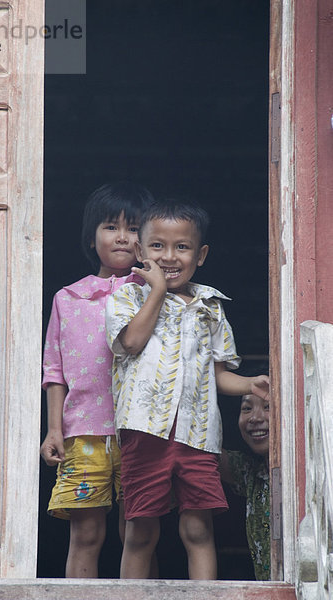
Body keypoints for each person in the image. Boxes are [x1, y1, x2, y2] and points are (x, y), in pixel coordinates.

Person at [105, 199, 269, 580]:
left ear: (201, 254)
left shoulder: (210, 306)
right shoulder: (127, 297)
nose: (169, 256)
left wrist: (250, 384)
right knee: (140, 530)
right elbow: (130, 343)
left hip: (198, 436)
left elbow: (220, 375)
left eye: (182, 247)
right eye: (158, 246)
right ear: (141, 251)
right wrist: (157, 290)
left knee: (197, 528)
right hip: (145, 433)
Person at [40, 181, 153, 578]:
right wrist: (55, 429)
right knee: (85, 536)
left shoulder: (154, 294)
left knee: (138, 535)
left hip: (141, 431)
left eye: (134, 227)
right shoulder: (67, 298)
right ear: (92, 237)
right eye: (110, 226)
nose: (123, 236)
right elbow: (54, 371)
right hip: (83, 433)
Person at [219, 391, 270, 580]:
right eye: (247, 408)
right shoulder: (252, 473)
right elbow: (206, 452)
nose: (255, 418)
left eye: (268, 406)